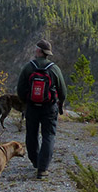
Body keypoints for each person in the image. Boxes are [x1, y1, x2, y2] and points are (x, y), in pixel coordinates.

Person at [16, 39, 67, 179]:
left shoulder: (28, 67)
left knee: (31, 134)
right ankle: (43, 169)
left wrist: (26, 101)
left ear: (39, 51)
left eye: (36, 48)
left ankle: (35, 161)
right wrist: (60, 103)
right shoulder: (54, 69)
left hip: (32, 107)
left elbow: (20, 89)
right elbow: (62, 91)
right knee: (48, 136)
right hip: (49, 108)